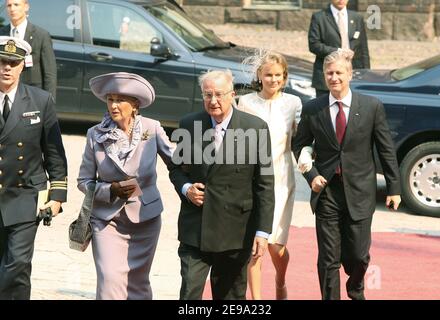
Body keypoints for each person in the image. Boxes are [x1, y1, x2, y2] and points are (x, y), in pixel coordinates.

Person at [292, 50, 401, 300]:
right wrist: (312, 176)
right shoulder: (313, 109)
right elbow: (299, 146)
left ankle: (356, 290)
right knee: (328, 258)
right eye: (329, 73)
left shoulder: (371, 106)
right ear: (324, 76)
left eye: (339, 72)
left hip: (361, 191)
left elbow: (385, 149)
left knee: (358, 256)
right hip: (327, 191)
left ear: (350, 74)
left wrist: (394, 188)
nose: (334, 77)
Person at [168, 69, 275, 300]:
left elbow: (265, 184)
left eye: (218, 94)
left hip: (236, 231)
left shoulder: (256, 128)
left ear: (232, 95)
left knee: (231, 297)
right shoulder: (189, 124)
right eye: (207, 95)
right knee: (189, 294)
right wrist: (187, 190)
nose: (213, 101)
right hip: (196, 228)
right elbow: (176, 169)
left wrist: (262, 231)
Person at [77, 72, 174, 300]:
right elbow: (83, 182)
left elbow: (177, 160)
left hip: (146, 219)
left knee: (138, 283)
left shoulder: (152, 128)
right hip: (106, 220)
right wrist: (109, 190)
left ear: (135, 104)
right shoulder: (95, 134)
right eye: (110, 99)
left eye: (120, 100)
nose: (114, 105)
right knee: (110, 281)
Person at [0, 36, 67, 299]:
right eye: (2, 61)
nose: (7, 68)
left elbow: (54, 154)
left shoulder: (40, 101)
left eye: (13, 63)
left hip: (24, 196)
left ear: (22, 66)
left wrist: (57, 197)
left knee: (16, 264)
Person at [237, 51, 302, 300]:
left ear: (284, 77)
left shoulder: (294, 104)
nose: (273, 79)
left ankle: (280, 280)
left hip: (282, 178)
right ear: (259, 76)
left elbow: (302, 140)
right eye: (268, 75)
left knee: (276, 245)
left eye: (278, 75)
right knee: (256, 246)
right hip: (252, 177)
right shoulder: (246, 103)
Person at [308, 0, 370, 97]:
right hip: (327, 79)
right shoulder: (319, 17)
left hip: (353, 76)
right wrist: (338, 51)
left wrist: (366, 73)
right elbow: (314, 45)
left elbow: (363, 49)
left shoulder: (357, 17)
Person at [0, 0, 57, 98]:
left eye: (16, 4)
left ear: (26, 7)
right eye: (9, 5)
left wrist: (49, 102)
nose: (12, 9)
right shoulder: (1, 34)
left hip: (31, 96)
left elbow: (50, 74)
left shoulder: (41, 35)